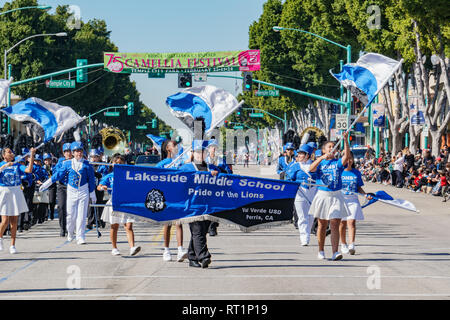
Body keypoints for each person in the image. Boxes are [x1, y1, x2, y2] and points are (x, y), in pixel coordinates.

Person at [40, 142, 96, 245]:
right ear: (73, 153)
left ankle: (81, 236)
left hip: (83, 191)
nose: (78, 153)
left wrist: (92, 193)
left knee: (82, 215)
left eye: (80, 151)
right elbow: (59, 175)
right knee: (70, 215)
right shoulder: (67, 164)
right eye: (76, 151)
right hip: (71, 191)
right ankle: (70, 232)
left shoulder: (87, 165)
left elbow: (91, 180)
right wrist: (48, 182)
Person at [308, 132, 351, 261]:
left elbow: (346, 157)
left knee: (335, 222)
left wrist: (345, 141)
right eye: (329, 146)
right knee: (322, 224)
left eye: (334, 146)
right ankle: (321, 250)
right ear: (324, 150)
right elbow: (311, 169)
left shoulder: (337, 162)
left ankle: (335, 252)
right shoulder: (320, 162)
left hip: (336, 195)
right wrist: (321, 158)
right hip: (323, 195)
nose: (332, 148)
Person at [179, 140, 220, 268]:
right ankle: (204, 256)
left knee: (202, 232)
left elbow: (225, 180)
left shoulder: (212, 167)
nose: (200, 154)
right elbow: (178, 182)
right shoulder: (186, 167)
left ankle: (192, 257)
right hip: (193, 205)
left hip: (208, 205)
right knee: (197, 231)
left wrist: (216, 175)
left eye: (202, 152)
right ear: (192, 153)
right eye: (197, 152)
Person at [98, 154, 141, 256]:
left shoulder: (129, 175)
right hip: (114, 202)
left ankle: (132, 247)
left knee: (129, 225)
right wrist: (102, 187)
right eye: (116, 163)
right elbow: (98, 187)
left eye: (120, 163)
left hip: (126, 202)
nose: (118, 165)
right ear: (112, 164)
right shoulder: (109, 177)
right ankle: (114, 247)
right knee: (114, 226)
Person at [155, 139, 188, 262]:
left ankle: (180, 249)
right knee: (167, 224)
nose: (176, 147)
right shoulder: (163, 163)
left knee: (179, 223)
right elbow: (152, 176)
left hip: (179, 195)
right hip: (166, 196)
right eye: (174, 145)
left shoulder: (180, 162)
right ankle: (166, 250)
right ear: (168, 148)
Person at [0, 147, 36, 254]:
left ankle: (12, 245)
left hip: (15, 191)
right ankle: (0, 237)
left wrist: (32, 156)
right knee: (5, 220)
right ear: (3, 155)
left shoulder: (17, 164)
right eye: (9, 152)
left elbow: (29, 170)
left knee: (14, 220)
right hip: (4, 191)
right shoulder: (2, 164)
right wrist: (5, 166)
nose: (11, 153)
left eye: (12, 152)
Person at [339, 151, 372, 256]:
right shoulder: (338, 172)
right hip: (341, 199)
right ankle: (343, 244)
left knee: (351, 222)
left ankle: (351, 244)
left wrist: (365, 194)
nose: (348, 161)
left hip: (353, 200)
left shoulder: (356, 172)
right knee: (342, 223)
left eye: (350, 158)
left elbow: (358, 187)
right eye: (346, 158)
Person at [286, 144, 316, 246]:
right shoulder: (295, 166)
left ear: (308, 155)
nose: (298, 156)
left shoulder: (316, 164)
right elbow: (288, 179)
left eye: (301, 154)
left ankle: (308, 232)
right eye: (298, 154)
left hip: (314, 191)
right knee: (302, 216)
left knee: (311, 216)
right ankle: (304, 237)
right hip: (300, 191)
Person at [55, 143, 72, 237]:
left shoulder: (75, 161)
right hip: (62, 186)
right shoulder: (61, 161)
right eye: (66, 151)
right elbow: (56, 172)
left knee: (71, 208)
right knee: (61, 206)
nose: (68, 153)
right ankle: (62, 227)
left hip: (72, 187)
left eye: (69, 151)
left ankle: (70, 227)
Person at [43, 153, 57, 221]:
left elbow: (55, 175)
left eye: (49, 160)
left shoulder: (54, 167)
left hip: (52, 185)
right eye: (46, 160)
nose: (47, 162)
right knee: (45, 200)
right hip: (44, 185)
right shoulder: (42, 168)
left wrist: (51, 171)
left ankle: (52, 213)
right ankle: (45, 215)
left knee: (52, 200)